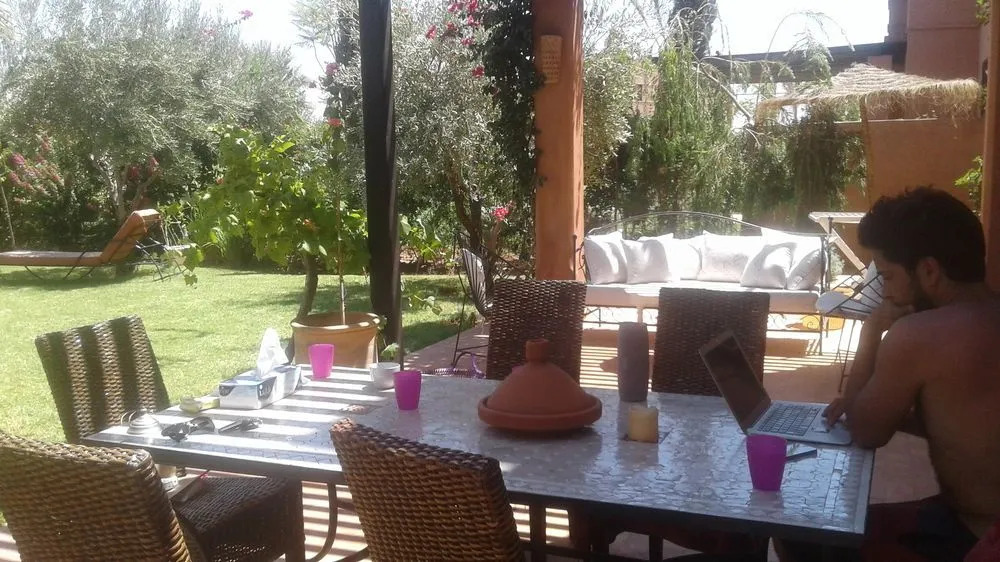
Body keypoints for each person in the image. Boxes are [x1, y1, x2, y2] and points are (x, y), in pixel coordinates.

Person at [779, 187, 1000, 562]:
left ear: (928, 271)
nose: (886, 294)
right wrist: (898, 416)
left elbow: (864, 431)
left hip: (975, 540)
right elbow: (968, 428)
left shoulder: (921, 334)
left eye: (888, 276)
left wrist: (871, 331)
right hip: (975, 520)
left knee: (803, 533)